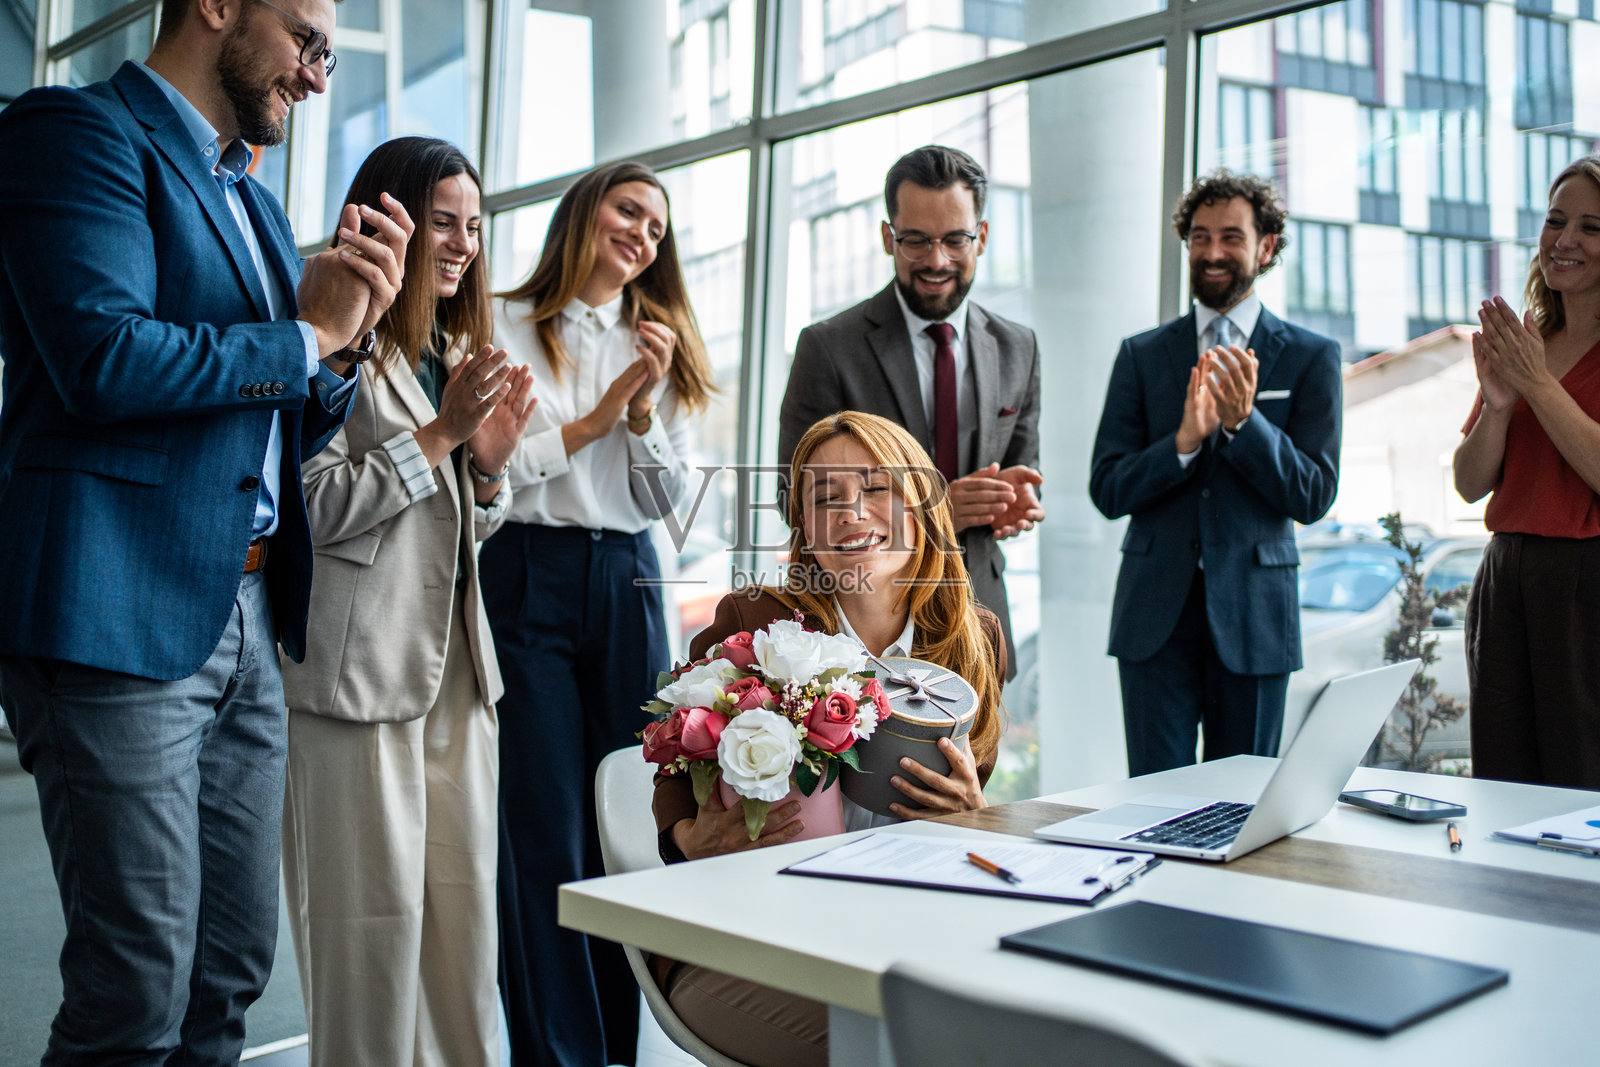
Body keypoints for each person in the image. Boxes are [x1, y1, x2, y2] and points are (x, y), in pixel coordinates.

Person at [0, 0, 410, 1062]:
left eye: (328, 55)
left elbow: (273, 420)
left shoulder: (256, 205)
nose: (316, 76)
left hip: (247, 613)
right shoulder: (73, 131)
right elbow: (103, 359)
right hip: (115, 607)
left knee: (229, 970)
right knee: (135, 988)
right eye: (307, 41)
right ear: (219, 6)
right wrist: (307, 335)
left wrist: (343, 346)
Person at [278, 136, 536, 1067]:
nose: (463, 243)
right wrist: (439, 438)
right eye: (443, 222)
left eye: (474, 225)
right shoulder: (328, 338)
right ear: (389, 220)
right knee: (368, 938)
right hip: (358, 675)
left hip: (459, 676)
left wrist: (488, 473)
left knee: (464, 938)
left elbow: (453, 531)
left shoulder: (451, 351)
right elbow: (307, 509)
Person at [651, 410, 1006, 1067]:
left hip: (901, 932)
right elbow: (676, 765)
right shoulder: (754, 622)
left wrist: (974, 817)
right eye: (824, 498)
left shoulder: (971, 637)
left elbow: (970, 797)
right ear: (803, 530)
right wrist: (687, 839)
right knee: (909, 1047)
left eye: (876, 487)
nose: (850, 512)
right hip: (745, 936)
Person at [485, 160, 718, 1067]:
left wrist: (644, 412)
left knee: (627, 811)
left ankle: (622, 1045)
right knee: (542, 819)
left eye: (657, 228)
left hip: (626, 576)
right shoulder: (500, 320)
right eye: (629, 211)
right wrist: (596, 419)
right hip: (525, 568)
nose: (643, 235)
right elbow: (491, 468)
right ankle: (554, 1051)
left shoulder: (658, 342)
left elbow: (668, 504)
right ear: (586, 211)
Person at [1089, 169, 1341, 778]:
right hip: (1154, 618)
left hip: (1257, 618)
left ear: (1266, 247)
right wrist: (1181, 443)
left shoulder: (1311, 357)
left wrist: (1244, 426)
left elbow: (1313, 494)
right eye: (1199, 237)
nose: (1212, 252)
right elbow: (1108, 487)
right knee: (1154, 801)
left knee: (1243, 801)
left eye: (1231, 237)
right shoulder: (1142, 354)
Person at [777, 145, 1044, 677]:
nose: (937, 260)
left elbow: (1023, 466)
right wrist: (937, 508)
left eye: (954, 240)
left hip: (978, 618)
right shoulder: (829, 347)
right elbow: (793, 499)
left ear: (981, 237)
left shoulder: (1018, 346)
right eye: (916, 240)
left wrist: (1015, 500)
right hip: (860, 632)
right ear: (888, 238)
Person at [1453, 153, 1600, 791]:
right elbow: (1468, 483)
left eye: (1592, 227)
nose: (1565, 240)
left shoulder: (1530, 360)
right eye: (1556, 220)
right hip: (1505, 575)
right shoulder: (1526, 341)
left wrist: (1536, 385)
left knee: (1580, 778)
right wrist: (1498, 405)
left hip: (1586, 583)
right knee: (1502, 778)